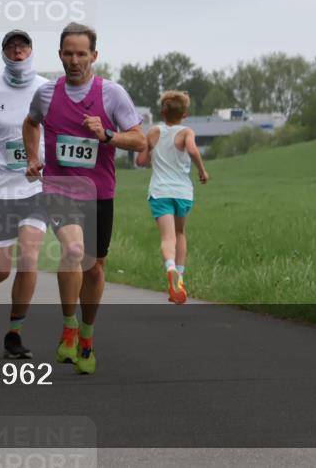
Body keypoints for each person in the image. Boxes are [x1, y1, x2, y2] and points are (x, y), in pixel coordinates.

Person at [23, 22, 145, 374]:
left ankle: (87, 336)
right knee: (74, 250)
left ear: (94, 55)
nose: (74, 60)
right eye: (68, 53)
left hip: (99, 192)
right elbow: (30, 124)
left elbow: (138, 140)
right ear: (59, 55)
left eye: (81, 53)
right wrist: (33, 158)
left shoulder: (112, 94)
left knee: (95, 267)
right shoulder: (47, 94)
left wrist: (107, 135)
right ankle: (69, 328)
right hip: (60, 188)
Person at [0, 29, 49, 359]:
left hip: (35, 187)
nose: (17, 52)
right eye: (11, 47)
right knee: (1, 270)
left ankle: (14, 333)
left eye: (23, 46)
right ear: (3, 52)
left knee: (30, 256)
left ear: (31, 51)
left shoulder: (47, 89)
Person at [136, 90, 209, 304]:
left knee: (167, 237)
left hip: (160, 192)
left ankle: (169, 268)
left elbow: (141, 161)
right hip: (182, 192)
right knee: (180, 233)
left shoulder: (153, 132)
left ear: (162, 112)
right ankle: (180, 276)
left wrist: (149, 152)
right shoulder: (187, 132)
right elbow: (193, 151)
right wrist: (202, 171)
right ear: (185, 114)